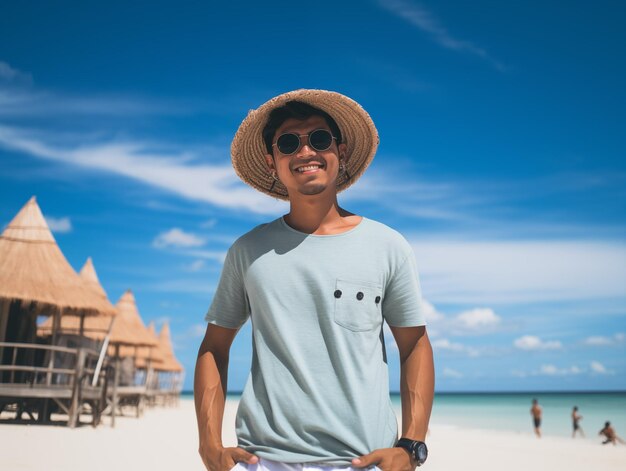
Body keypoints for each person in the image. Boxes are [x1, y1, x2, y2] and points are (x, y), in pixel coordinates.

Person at [194, 90, 434, 471]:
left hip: (363, 461)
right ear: (273, 163)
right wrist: (208, 444)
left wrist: (411, 445)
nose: (305, 151)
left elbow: (415, 344)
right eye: (289, 143)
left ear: (339, 151)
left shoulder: (388, 246)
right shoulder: (248, 250)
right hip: (263, 459)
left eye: (319, 139)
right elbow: (214, 348)